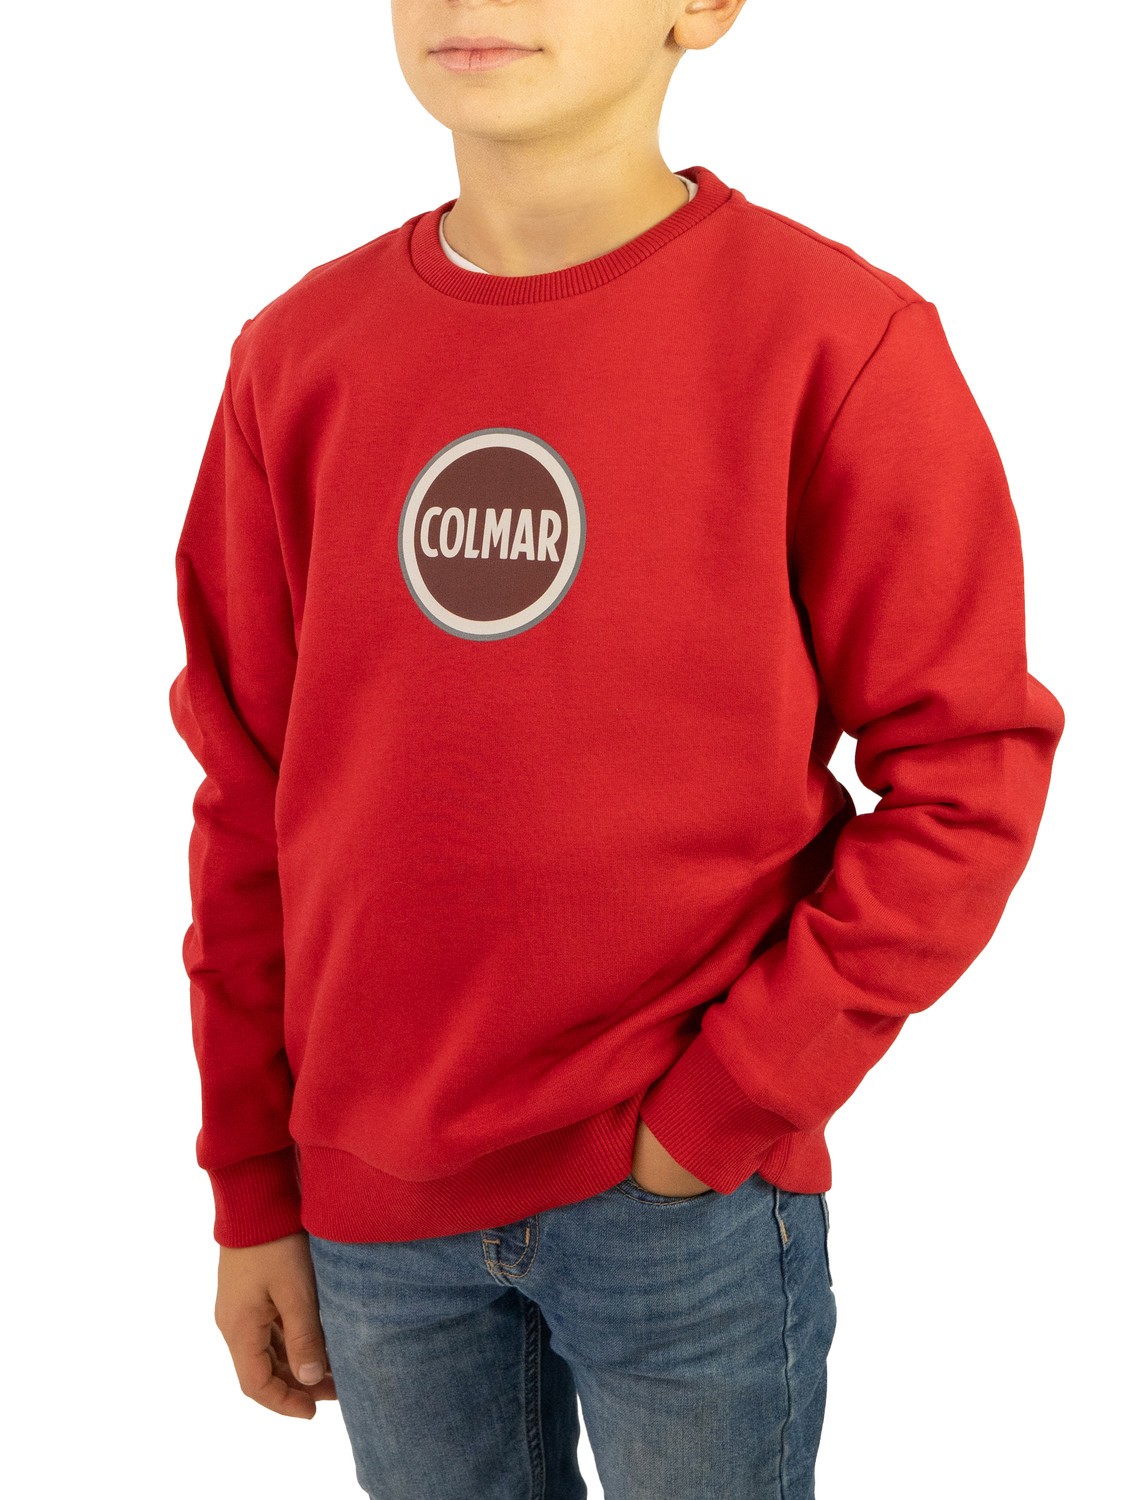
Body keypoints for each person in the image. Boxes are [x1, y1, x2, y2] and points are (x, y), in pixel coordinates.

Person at [167, 2, 1065, 1495]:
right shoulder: (295, 358)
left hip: (681, 1205)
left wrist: (727, 1102)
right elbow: (248, 796)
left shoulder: (834, 339)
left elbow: (968, 770)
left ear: (699, 6)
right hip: (373, 1213)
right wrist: (252, 1182)